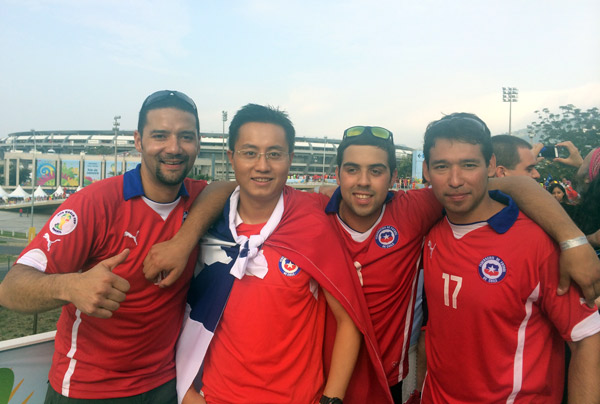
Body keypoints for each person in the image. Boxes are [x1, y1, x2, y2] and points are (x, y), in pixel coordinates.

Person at [0, 90, 228, 403]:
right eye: (160, 135)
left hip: (165, 384)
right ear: (138, 140)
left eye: (185, 136)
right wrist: (72, 286)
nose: (174, 148)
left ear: (198, 143)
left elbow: (228, 186)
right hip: (88, 389)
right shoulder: (95, 203)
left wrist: (184, 239)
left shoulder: (198, 196)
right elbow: (11, 288)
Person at [175, 104, 391, 404]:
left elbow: (349, 320)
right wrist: (187, 393)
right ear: (231, 157)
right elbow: (177, 312)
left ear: (290, 158)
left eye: (275, 154)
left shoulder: (313, 220)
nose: (262, 165)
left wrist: (332, 399)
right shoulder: (206, 223)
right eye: (249, 153)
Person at [420, 112, 600, 403]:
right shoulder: (430, 228)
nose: (455, 180)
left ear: (491, 166)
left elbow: (587, 337)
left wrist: (576, 240)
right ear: (427, 170)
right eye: (442, 166)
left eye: (469, 165)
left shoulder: (537, 242)